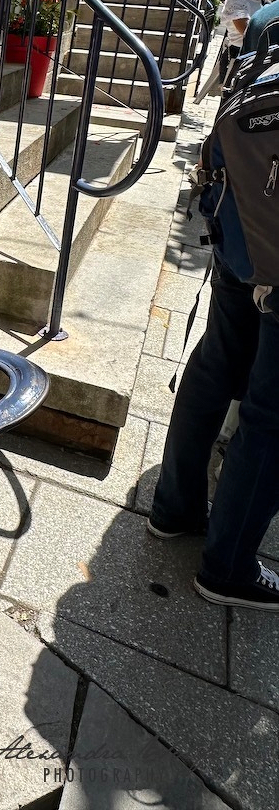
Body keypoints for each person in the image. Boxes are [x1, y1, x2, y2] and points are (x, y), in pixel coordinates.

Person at [147, 43, 279, 609]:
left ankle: (173, 508)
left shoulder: (270, 20)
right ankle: (227, 568)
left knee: (214, 365)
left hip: (239, 238)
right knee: (271, 418)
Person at [217, 0, 276, 82]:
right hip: (239, 61)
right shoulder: (236, 0)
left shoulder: (265, 1)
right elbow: (248, 32)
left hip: (259, 62)